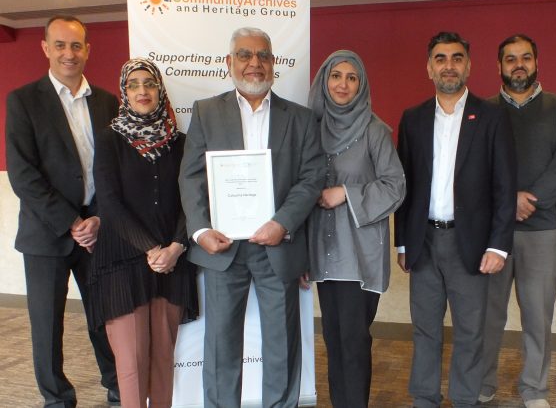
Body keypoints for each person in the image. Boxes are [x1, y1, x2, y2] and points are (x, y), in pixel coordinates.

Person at [179, 27, 324, 408]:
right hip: (223, 248)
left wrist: (283, 223)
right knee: (222, 343)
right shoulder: (206, 112)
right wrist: (200, 229)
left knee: (283, 342)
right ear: (230, 62)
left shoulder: (302, 119)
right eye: (245, 55)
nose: (254, 64)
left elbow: (311, 179)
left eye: (263, 56)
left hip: (278, 246)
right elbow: (191, 176)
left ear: (274, 63)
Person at [394, 31, 517, 408]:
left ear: (469, 65)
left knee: (470, 332)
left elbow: (504, 185)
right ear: (429, 67)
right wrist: (403, 241)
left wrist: (498, 245)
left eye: (457, 58)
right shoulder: (412, 119)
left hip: (474, 245)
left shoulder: (492, 117)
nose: (449, 65)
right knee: (425, 330)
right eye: (441, 58)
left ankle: (465, 400)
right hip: (424, 243)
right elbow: (405, 184)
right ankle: (425, 399)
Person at [5, 15, 120, 407]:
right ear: (45, 48)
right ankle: (57, 398)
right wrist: (72, 222)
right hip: (46, 234)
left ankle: (117, 385)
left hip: (98, 230)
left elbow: (115, 170)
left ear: (88, 50)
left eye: (76, 45)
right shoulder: (22, 100)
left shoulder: (107, 102)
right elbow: (23, 175)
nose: (68, 53)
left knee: (105, 318)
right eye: (60, 45)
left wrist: (98, 218)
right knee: (46, 325)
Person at [87, 58, 198, 407]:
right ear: (125, 91)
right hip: (123, 263)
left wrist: (177, 247)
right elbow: (109, 204)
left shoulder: (180, 142)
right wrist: (152, 249)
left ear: (160, 90)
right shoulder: (109, 140)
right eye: (133, 84)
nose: (142, 91)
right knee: (132, 364)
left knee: (164, 359)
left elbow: (192, 201)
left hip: (173, 262)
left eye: (148, 83)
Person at [479, 35, 556, 408]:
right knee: (488, 317)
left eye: (525, 58)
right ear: (499, 66)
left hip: (542, 231)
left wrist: (528, 200)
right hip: (492, 235)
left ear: (536, 62)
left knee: (538, 318)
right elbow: (475, 169)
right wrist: (508, 202)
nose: (518, 64)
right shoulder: (484, 111)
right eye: (510, 59)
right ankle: (483, 382)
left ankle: (534, 389)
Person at [304, 50, 406, 408]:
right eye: (336, 76)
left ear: (361, 85)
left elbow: (395, 186)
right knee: (333, 339)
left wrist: (344, 193)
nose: (343, 84)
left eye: (352, 77)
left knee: (354, 340)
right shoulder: (310, 128)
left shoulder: (374, 130)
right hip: (322, 249)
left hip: (358, 252)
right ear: (324, 81)